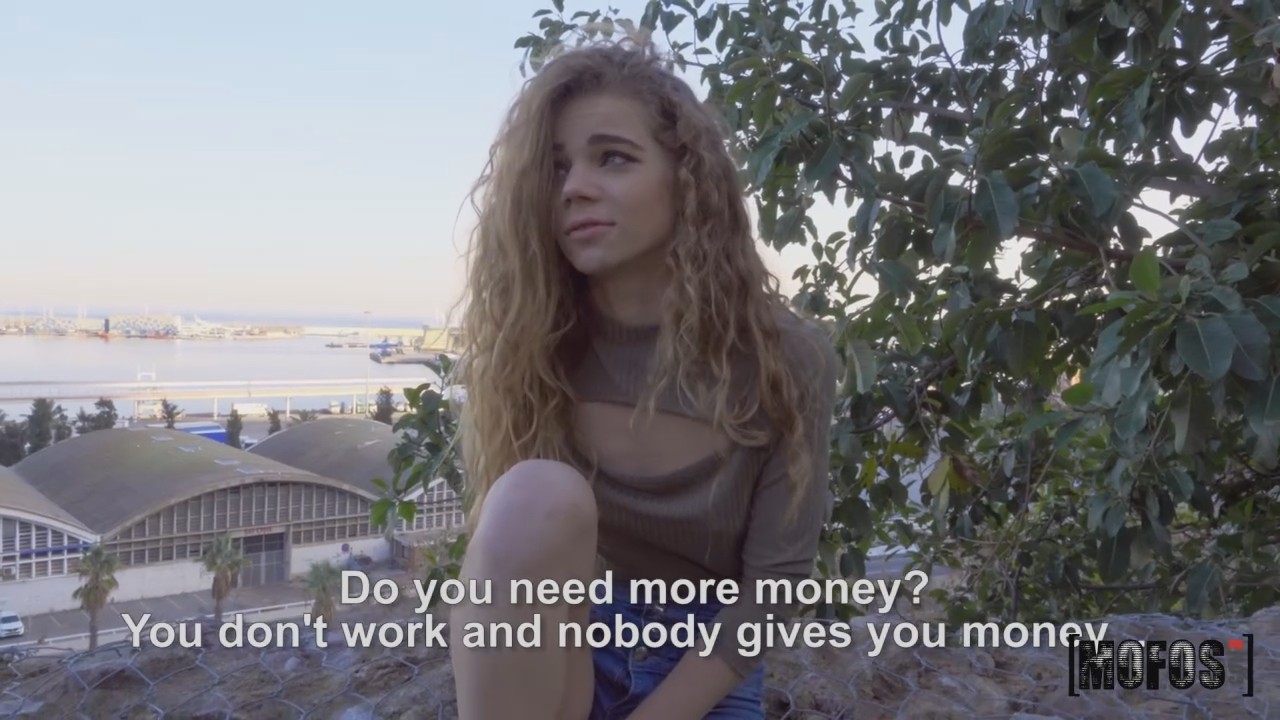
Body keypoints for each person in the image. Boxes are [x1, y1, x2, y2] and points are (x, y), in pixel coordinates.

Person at [447, 37, 839, 720]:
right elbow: (513, 559)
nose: (573, 188)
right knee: (533, 494)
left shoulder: (785, 356)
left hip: (706, 662)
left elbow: (773, 588)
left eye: (613, 158)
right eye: (557, 167)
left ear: (685, 179)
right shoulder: (535, 345)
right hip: (573, 641)